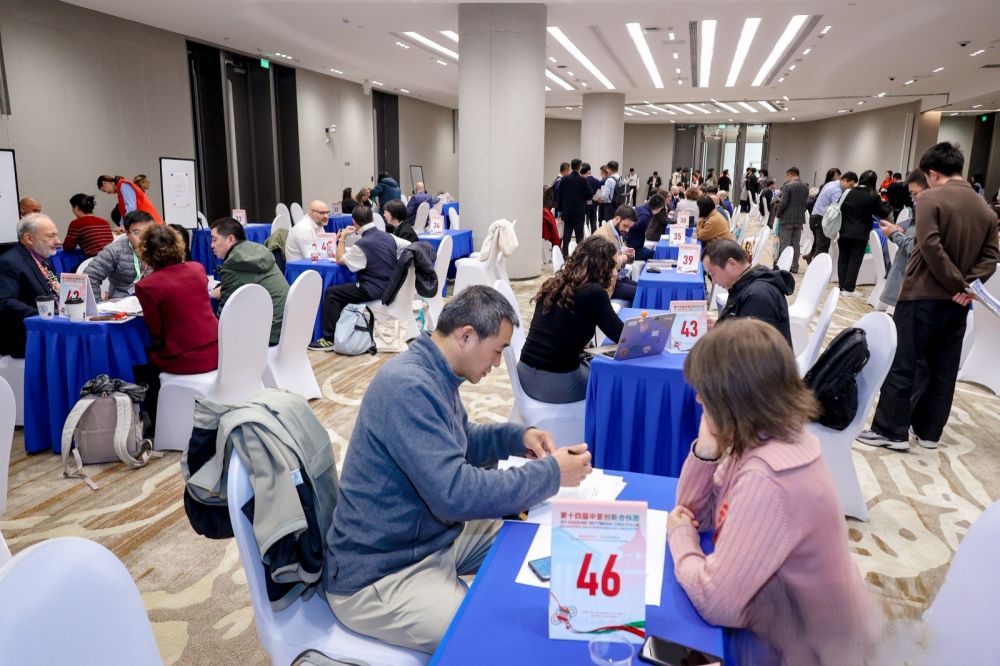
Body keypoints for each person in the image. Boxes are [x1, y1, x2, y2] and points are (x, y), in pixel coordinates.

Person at [324, 285, 592, 653]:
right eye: (497, 350)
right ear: (466, 335)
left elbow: (460, 440)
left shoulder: (435, 373)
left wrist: (519, 437)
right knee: (486, 641)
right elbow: (456, 493)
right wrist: (552, 475)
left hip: (425, 538)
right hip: (381, 573)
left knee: (527, 539)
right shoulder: (408, 386)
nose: (498, 363)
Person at [669, 318, 877, 664]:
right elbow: (698, 516)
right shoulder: (768, 437)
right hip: (790, 631)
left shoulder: (768, 476)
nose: (698, 398)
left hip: (804, 651)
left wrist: (680, 539)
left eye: (706, 392)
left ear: (734, 399)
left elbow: (715, 601)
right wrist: (707, 450)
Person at [859, 142, 999, 451]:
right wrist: (967, 286)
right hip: (957, 304)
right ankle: (929, 432)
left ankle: (891, 431)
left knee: (904, 362)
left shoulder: (930, 200)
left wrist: (957, 284)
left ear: (932, 173)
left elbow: (931, 247)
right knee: (943, 367)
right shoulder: (986, 210)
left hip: (921, 295)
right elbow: (991, 257)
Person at [133, 225, 218, 436]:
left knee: (141, 363)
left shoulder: (147, 286)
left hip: (186, 359)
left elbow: (157, 332)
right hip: (217, 350)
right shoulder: (197, 268)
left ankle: (156, 424)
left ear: (145, 251)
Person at [519, 237, 623, 403]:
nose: (615, 271)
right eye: (613, 266)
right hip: (555, 382)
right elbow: (621, 336)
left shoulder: (554, 284)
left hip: (524, 376)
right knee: (609, 382)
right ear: (603, 267)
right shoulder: (594, 293)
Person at [308, 206, 399, 351]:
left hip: (374, 289)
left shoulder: (363, 244)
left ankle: (329, 338)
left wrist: (343, 238)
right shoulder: (387, 236)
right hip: (391, 286)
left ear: (354, 222)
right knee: (347, 288)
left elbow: (339, 259)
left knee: (332, 293)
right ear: (372, 218)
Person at [210, 217, 288, 346]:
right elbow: (248, 279)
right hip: (286, 325)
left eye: (214, 239)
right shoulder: (255, 250)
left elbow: (224, 315)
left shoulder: (233, 264)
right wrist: (224, 288)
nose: (211, 245)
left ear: (230, 239)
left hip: (271, 332)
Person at [703, 239, 794, 345]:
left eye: (713, 274)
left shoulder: (759, 298)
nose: (713, 282)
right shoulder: (742, 285)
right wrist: (717, 329)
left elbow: (752, 353)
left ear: (731, 264)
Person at [0, 214, 61, 358]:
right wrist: (43, 316)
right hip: (29, 336)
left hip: (53, 326)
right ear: (29, 238)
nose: (58, 241)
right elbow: (4, 301)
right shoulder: (10, 262)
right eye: (51, 236)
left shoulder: (40, 256)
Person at [878, 170, 927, 310]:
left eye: (914, 193)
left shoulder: (929, 213)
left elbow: (913, 247)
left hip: (912, 288)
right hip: (908, 285)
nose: (913, 198)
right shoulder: (922, 209)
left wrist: (894, 234)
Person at [837, 170, 891, 295]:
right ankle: (849, 289)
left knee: (843, 258)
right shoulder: (873, 195)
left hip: (843, 230)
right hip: (860, 232)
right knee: (855, 260)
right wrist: (887, 203)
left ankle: (841, 287)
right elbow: (882, 212)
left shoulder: (848, 192)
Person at [85, 210, 156, 300]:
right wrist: (97, 306)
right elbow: (90, 276)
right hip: (122, 304)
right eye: (137, 232)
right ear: (127, 233)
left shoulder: (160, 247)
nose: (143, 237)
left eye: (147, 232)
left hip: (152, 301)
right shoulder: (114, 250)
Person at [593, 205, 639, 303]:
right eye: (625, 226)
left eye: (629, 227)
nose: (627, 230)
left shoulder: (615, 231)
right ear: (617, 218)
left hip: (615, 277)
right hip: (605, 284)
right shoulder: (602, 236)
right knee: (638, 293)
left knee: (641, 287)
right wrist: (623, 258)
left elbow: (613, 254)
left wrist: (624, 253)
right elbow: (602, 264)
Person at [773, 167, 810, 273]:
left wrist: (777, 215)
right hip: (799, 220)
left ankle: (784, 266)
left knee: (785, 243)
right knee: (795, 243)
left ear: (790, 175)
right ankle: (794, 267)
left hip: (787, 219)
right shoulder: (805, 187)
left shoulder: (787, 186)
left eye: (787, 176)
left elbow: (783, 203)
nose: (787, 178)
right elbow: (805, 204)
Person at [809, 169, 850, 258]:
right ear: (844, 180)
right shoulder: (837, 190)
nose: (849, 188)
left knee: (819, 246)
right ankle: (817, 270)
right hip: (821, 219)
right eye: (850, 185)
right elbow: (835, 209)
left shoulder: (830, 183)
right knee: (822, 249)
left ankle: (813, 265)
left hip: (815, 216)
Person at [557, 159, 593, 256]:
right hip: (579, 212)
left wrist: (559, 211)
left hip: (567, 212)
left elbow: (560, 196)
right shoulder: (583, 180)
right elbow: (590, 194)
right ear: (580, 166)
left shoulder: (564, 180)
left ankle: (565, 255)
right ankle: (578, 256)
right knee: (579, 236)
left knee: (567, 235)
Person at [97, 174, 163, 223]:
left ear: (104, 183)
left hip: (149, 221)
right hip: (146, 221)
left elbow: (131, 207)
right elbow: (125, 212)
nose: (107, 193)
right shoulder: (121, 190)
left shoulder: (123, 185)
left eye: (104, 190)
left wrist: (125, 226)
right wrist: (122, 226)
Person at [628, 193, 666, 259]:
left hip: (635, 246)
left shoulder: (640, 208)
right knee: (659, 255)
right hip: (634, 250)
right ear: (657, 209)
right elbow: (631, 227)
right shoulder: (645, 217)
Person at [582, 162, 602, 233]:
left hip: (584, 203)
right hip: (594, 203)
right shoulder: (597, 181)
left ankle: (586, 237)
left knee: (585, 222)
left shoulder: (582, 181)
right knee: (593, 221)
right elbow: (599, 193)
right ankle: (594, 237)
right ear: (590, 170)